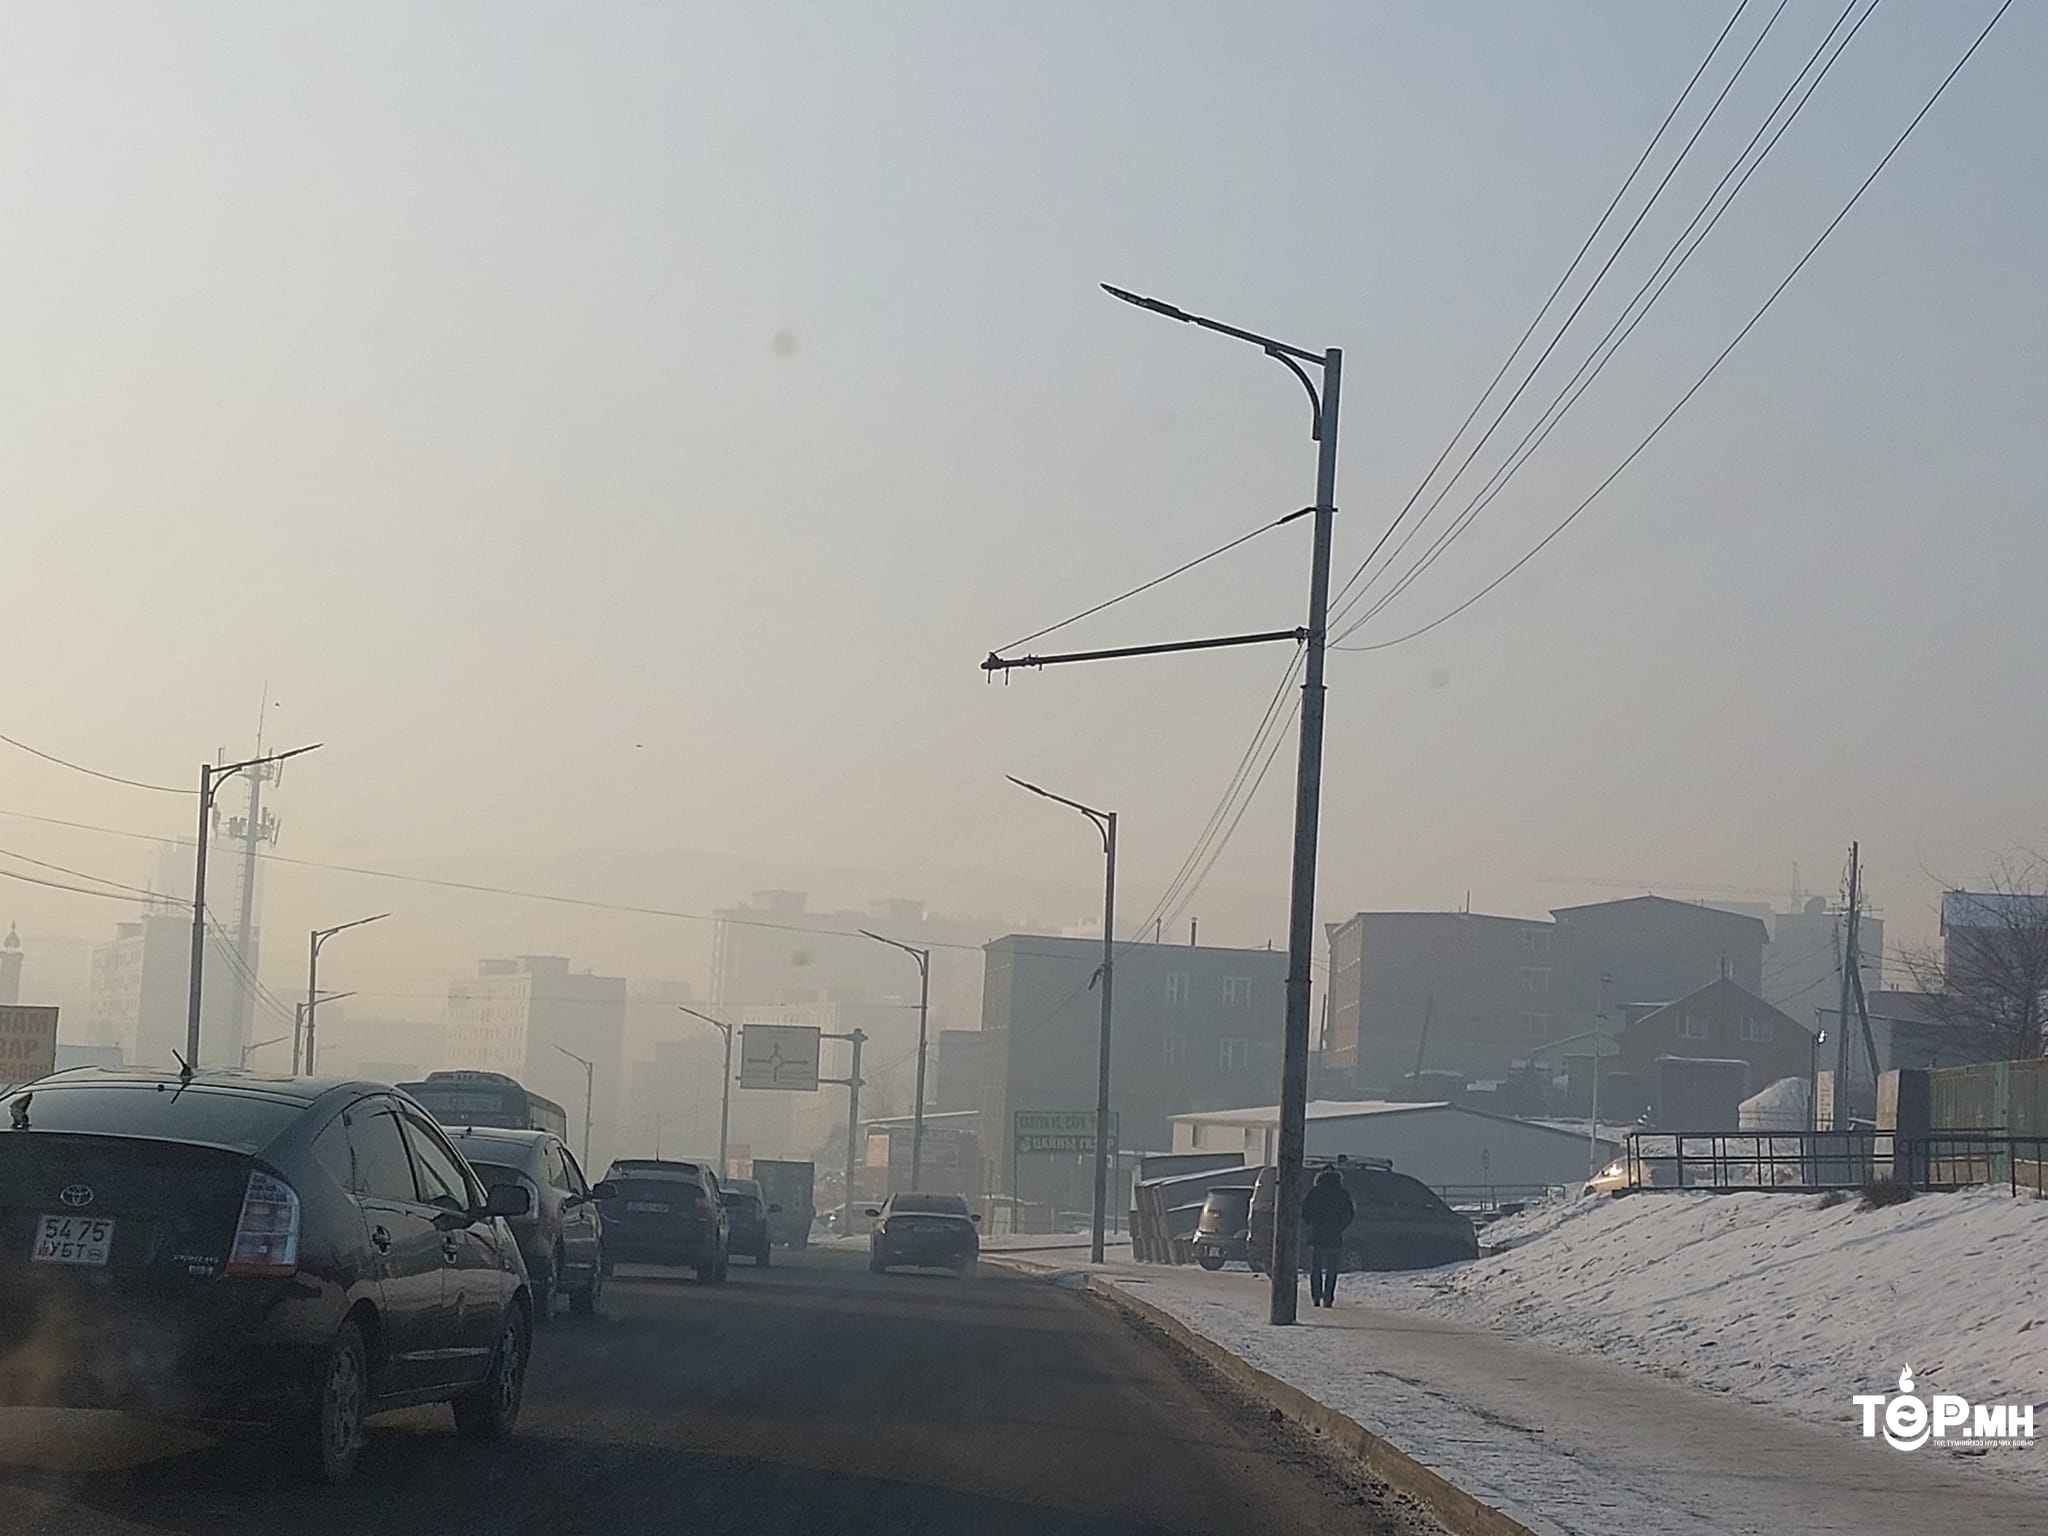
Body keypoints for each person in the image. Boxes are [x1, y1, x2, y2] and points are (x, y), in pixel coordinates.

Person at [1299, 1166, 1355, 1308]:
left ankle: (1316, 1296)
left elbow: (1305, 1210)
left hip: (1317, 1234)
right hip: (1335, 1235)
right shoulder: (1342, 1193)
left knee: (1316, 1268)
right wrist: (1341, 1226)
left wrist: (1311, 1222)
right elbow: (1350, 1213)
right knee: (1332, 1269)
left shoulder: (1315, 1192)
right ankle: (1328, 1297)